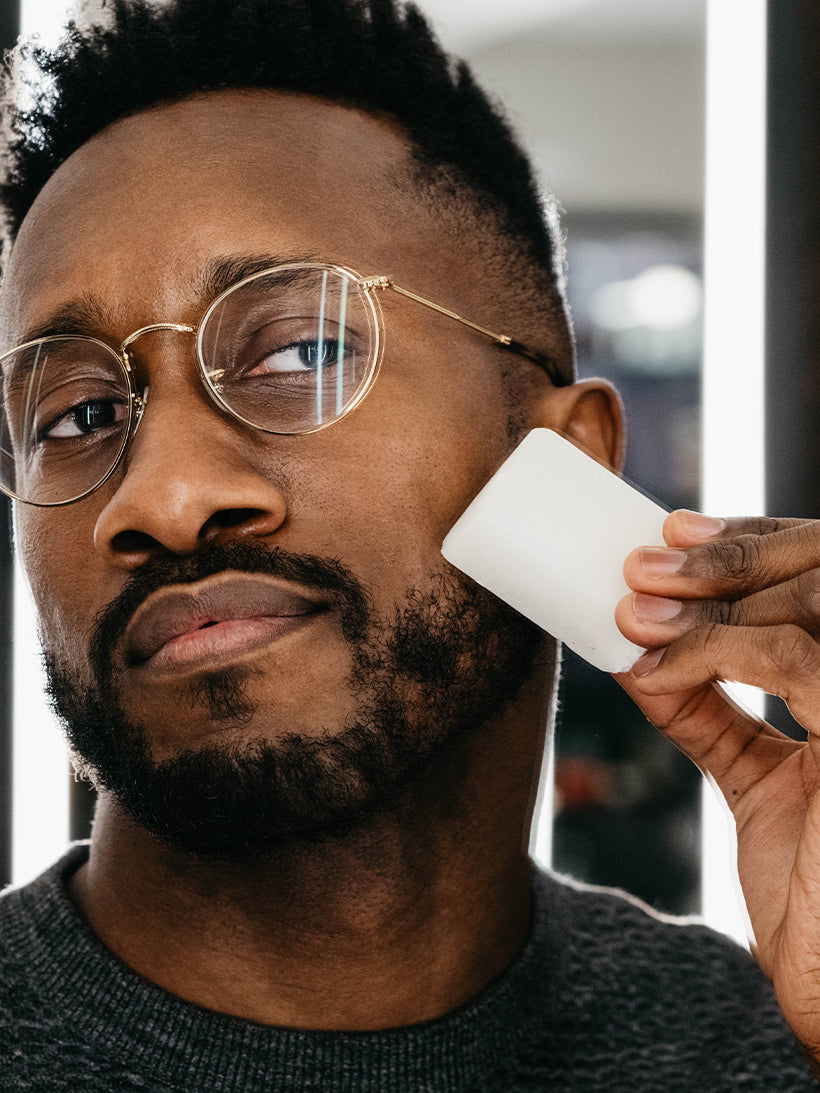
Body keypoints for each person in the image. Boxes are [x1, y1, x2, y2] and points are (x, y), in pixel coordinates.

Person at [0, 0, 817, 1089]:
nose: (165, 496)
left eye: (301, 349)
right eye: (77, 417)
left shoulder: (767, 1050)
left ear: (562, 455)